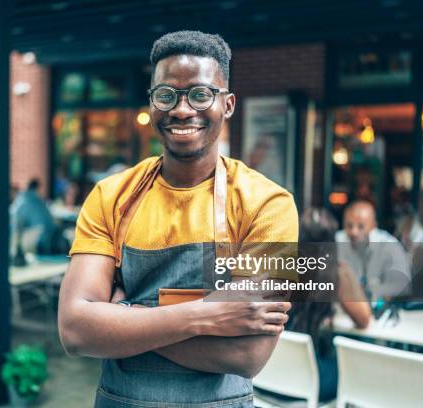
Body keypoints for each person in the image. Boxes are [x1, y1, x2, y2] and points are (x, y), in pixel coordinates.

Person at [58, 31, 298, 408]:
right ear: (152, 104)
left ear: (228, 104)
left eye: (201, 94)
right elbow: (74, 331)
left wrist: (124, 316)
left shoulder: (267, 204)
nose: (182, 110)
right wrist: (205, 316)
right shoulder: (110, 196)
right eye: (166, 95)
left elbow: (248, 356)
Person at [285, 208, 370, 402]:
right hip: (308, 381)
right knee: (355, 370)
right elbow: (364, 319)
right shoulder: (335, 273)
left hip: (272, 375)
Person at [335, 200, 411, 302]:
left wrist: (370, 292)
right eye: (349, 225)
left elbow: (402, 287)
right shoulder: (335, 243)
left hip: (383, 311)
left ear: (373, 226)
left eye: (360, 226)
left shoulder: (390, 247)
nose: (354, 232)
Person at [10, 178, 58, 254]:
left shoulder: (22, 200)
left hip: (39, 239)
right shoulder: (37, 199)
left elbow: (15, 223)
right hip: (51, 235)